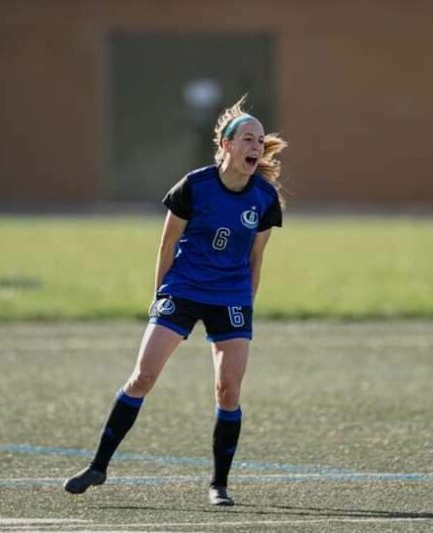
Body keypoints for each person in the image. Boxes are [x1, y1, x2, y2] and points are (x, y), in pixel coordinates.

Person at [63, 96, 287, 506]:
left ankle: (219, 484)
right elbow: (167, 244)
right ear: (226, 145)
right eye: (247, 139)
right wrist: (160, 296)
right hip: (183, 288)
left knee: (229, 390)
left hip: (231, 295)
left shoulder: (264, 198)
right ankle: (98, 465)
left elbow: (256, 258)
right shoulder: (195, 186)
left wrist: (246, 305)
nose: (256, 146)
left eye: (260, 139)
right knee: (143, 377)